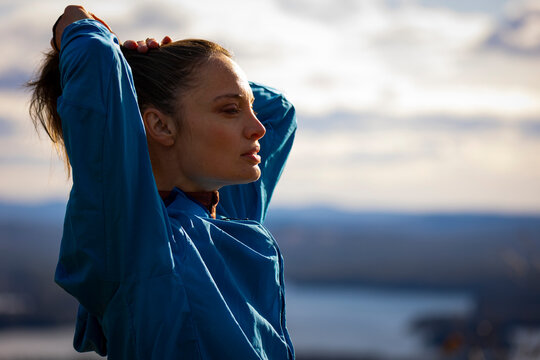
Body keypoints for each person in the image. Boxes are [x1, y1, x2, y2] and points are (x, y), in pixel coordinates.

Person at [28, 5, 296, 359]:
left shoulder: (228, 217)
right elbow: (94, 58)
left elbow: (279, 112)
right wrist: (82, 28)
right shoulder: (134, 241)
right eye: (231, 110)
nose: (257, 127)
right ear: (160, 126)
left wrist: (157, 70)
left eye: (247, 108)